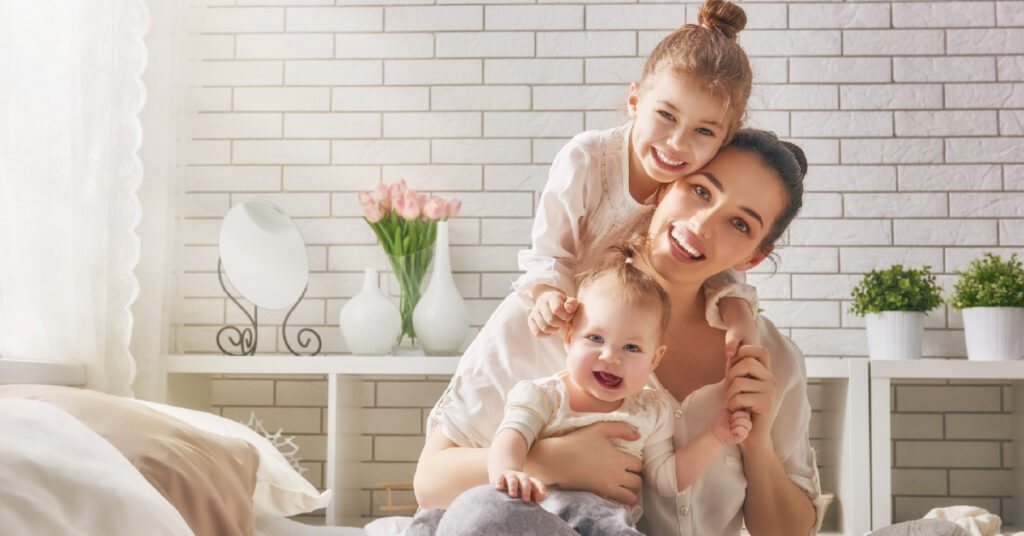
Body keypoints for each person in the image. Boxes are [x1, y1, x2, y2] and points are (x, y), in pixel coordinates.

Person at [414, 129, 824, 536]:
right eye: (700, 190)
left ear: (754, 255)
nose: (702, 224)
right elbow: (431, 482)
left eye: (739, 223)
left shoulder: (769, 356)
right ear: (664, 187)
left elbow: (789, 531)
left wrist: (757, 443)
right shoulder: (550, 313)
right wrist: (552, 460)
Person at [482, 255, 752, 535]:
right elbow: (512, 436)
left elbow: (666, 479)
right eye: (596, 339)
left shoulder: (648, 411)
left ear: (655, 359)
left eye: (632, 348)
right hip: (542, 517)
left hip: (606, 526)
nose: (610, 357)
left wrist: (714, 438)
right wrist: (508, 472)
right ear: (569, 339)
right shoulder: (546, 396)